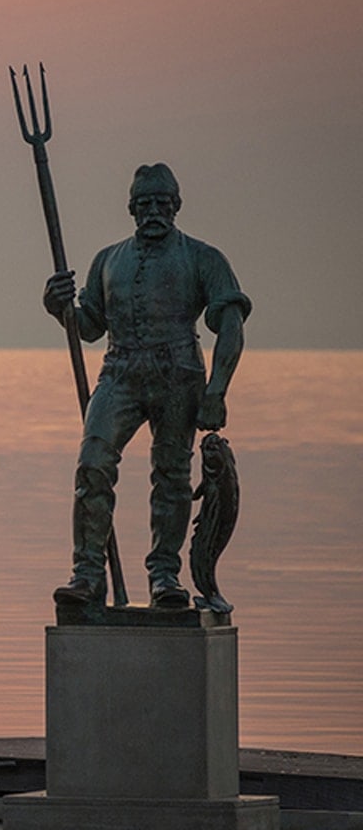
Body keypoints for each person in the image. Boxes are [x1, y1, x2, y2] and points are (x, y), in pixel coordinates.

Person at [43, 163, 249, 609]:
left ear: (176, 206)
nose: (153, 211)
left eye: (162, 203)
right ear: (131, 209)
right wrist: (59, 308)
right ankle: (88, 574)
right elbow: (90, 326)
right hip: (118, 372)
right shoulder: (108, 260)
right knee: (92, 464)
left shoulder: (203, 258)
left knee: (172, 477)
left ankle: (164, 577)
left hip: (179, 375)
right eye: (144, 204)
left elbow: (230, 324)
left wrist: (217, 390)